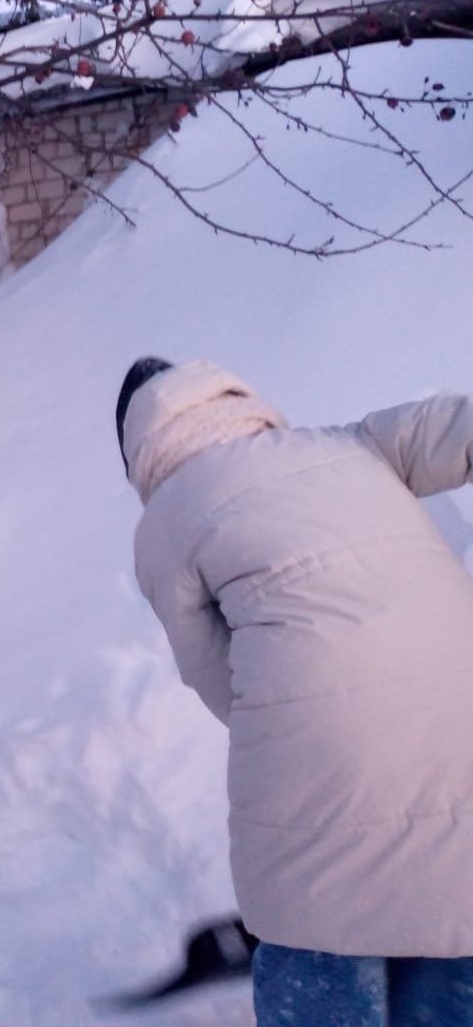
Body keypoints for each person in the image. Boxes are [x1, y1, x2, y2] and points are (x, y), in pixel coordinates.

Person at [117, 357, 473, 1026]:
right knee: (453, 915)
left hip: (319, 773)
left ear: (139, 448)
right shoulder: (349, 445)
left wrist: (298, 719)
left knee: (319, 935)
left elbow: (218, 676)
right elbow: (456, 427)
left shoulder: (167, 519)